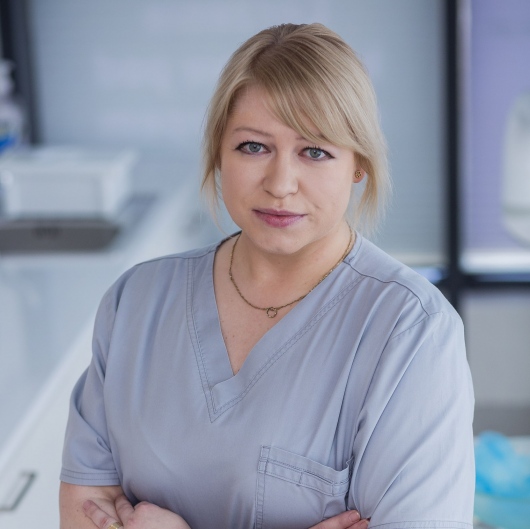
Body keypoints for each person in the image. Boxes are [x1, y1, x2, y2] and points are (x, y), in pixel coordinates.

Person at [59, 23, 475, 529]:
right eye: (253, 147)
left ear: (358, 165)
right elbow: (83, 509)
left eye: (315, 151)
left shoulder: (412, 332)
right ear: (218, 152)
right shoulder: (136, 303)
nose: (280, 184)